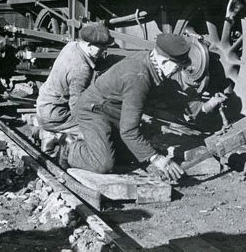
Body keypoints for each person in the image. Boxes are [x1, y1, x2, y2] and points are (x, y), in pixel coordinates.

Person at [55, 33, 199, 181]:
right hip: (93, 111)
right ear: (164, 62)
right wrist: (157, 159)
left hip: (113, 110)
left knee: (129, 155)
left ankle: (96, 145)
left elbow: (170, 96)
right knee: (104, 163)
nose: (178, 71)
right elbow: (129, 131)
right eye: (177, 68)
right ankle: (69, 149)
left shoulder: (152, 61)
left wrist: (202, 106)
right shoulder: (139, 77)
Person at [36, 23, 112, 154]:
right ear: (88, 45)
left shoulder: (71, 46)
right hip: (56, 115)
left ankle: (51, 132)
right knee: (101, 133)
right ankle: (58, 138)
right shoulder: (81, 69)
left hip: (44, 106)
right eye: (101, 47)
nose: (105, 50)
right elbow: (77, 107)